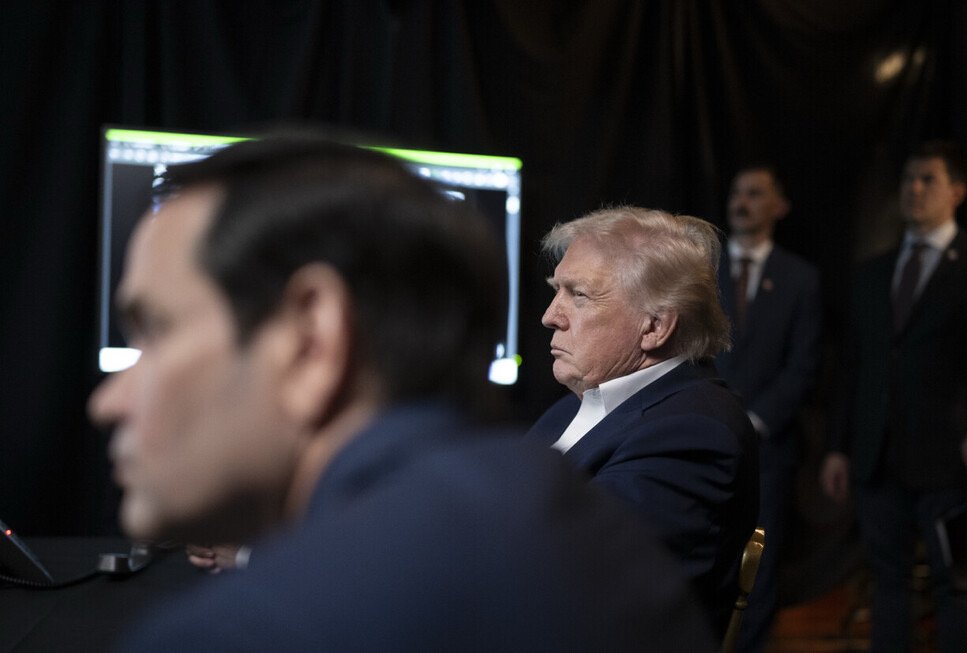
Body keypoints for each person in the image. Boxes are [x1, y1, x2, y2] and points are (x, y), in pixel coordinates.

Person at [88, 136, 716, 651]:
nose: (107, 400)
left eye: (157, 330)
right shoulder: (530, 479)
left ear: (313, 339)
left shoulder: (238, 635)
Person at [525, 206, 759, 642]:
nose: (550, 316)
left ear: (654, 326)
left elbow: (579, 586)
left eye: (578, 295)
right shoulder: (572, 405)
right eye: (557, 291)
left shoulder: (695, 432)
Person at [820, 140, 967, 652]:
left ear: (957, 190)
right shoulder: (872, 272)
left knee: (956, 586)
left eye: (927, 179)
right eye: (908, 179)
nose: (913, 189)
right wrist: (839, 446)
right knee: (888, 587)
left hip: (951, 463)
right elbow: (854, 367)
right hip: (877, 460)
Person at [716, 165, 821, 652]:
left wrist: (753, 421)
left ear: (779, 206)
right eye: (737, 192)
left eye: (755, 194)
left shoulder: (800, 279)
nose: (742, 201)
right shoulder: (700, 271)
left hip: (767, 449)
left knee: (758, 568)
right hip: (702, 436)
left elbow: (804, 364)